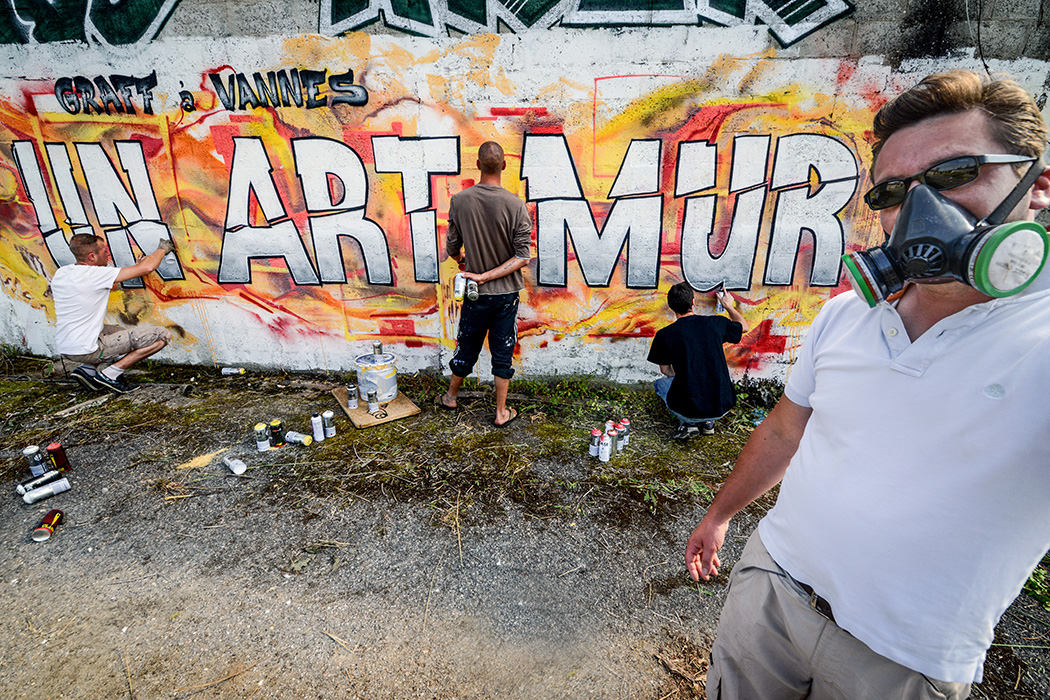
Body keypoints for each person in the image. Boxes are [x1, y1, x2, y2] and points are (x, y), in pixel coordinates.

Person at [686, 69, 1050, 700]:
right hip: (773, 587)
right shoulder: (845, 315)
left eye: (953, 174)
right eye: (893, 194)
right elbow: (785, 428)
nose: (919, 213)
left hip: (904, 657)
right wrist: (720, 516)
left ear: (1037, 186)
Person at [435, 141, 533, 427]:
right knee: (502, 351)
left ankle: (451, 397)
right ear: (504, 165)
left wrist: (466, 262)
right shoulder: (516, 205)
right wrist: (488, 275)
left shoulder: (460, 201)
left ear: (478, 165)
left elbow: (452, 245)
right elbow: (522, 257)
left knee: (467, 344)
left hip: (476, 294)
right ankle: (501, 412)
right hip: (505, 296)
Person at [52, 233, 174, 394]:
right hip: (88, 349)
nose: (108, 254)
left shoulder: (63, 273)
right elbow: (148, 267)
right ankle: (110, 375)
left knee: (120, 333)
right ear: (92, 256)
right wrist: (163, 249)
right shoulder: (94, 275)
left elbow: (112, 285)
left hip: (66, 347)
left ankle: (87, 371)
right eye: (104, 251)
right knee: (161, 336)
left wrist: (135, 270)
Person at [647, 282, 749, 440]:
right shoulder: (715, 324)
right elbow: (744, 327)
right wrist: (728, 305)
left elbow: (665, 371)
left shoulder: (665, 335)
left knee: (661, 384)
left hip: (689, 411)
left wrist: (685, 372)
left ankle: (688, 423)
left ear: (671, 306)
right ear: (693, 302)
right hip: (722, 405)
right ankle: (709, 423)